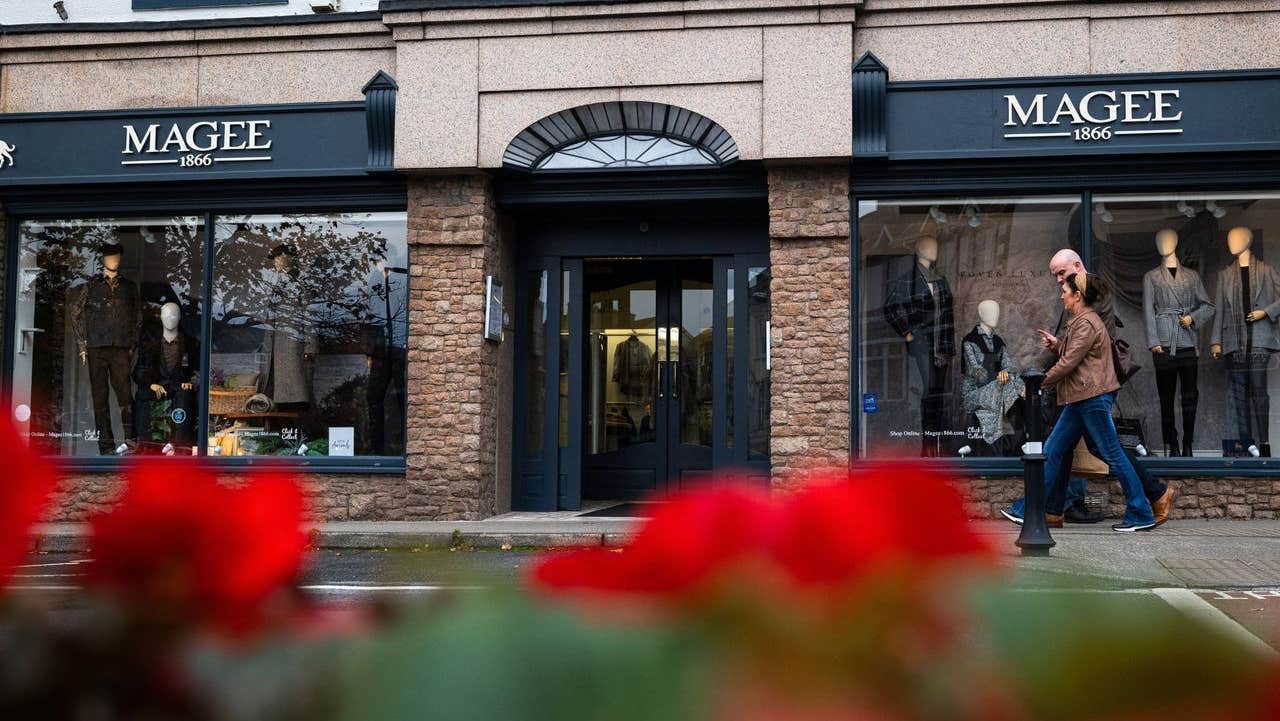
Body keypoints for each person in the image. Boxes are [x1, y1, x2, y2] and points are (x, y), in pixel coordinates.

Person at [1024, 249, 1176, 525]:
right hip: (1083, 385)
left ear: (1078, 266)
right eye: (1055, 276)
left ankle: (1150, 498)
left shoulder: (1092, 295)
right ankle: (1048, 508)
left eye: (1062, 274)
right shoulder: (1077, 295)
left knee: (1099, 449)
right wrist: (1054, 350)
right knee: (1062, 446)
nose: (1059, 283)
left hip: (1090, 386)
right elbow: (1069, 343)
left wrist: (1037, 378)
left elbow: (1079, 346)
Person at [1005, 273, 1157, 532]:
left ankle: (1141, 512)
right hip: (1080, 397)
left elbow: (1069, 363)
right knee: (1051, 450)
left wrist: (1037, 384)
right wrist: (1056, 346)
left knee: (1113, 455)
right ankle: (1026, 509)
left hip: (1092, 398)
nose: (1061, 294)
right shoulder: (1083, 321)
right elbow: (1076, 352)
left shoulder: (1087, 322)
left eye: (1065, 290)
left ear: (1078, 295)